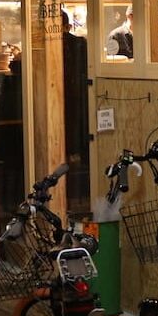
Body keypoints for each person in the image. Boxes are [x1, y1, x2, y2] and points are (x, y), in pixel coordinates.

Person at [60, 11, 90, 212]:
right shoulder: (79, 44)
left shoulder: (77, 44)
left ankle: (72, 195)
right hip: (78, 96)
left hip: (71, 96)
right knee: (76, 138)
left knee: (71, 137)